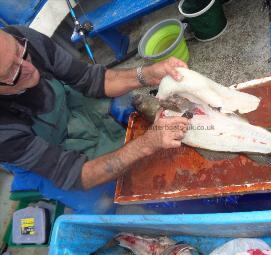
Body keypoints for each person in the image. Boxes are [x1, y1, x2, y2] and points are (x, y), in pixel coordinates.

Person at [0, 26, 189, 192]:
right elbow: (74, 174)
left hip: (66, 102)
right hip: (40, 155)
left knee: (128, 104)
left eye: (21, 52)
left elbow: (90, 78)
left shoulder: (20, 38)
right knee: (110, 197)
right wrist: (146, 144)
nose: (29, 67)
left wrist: (147, 74)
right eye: (11, 72)